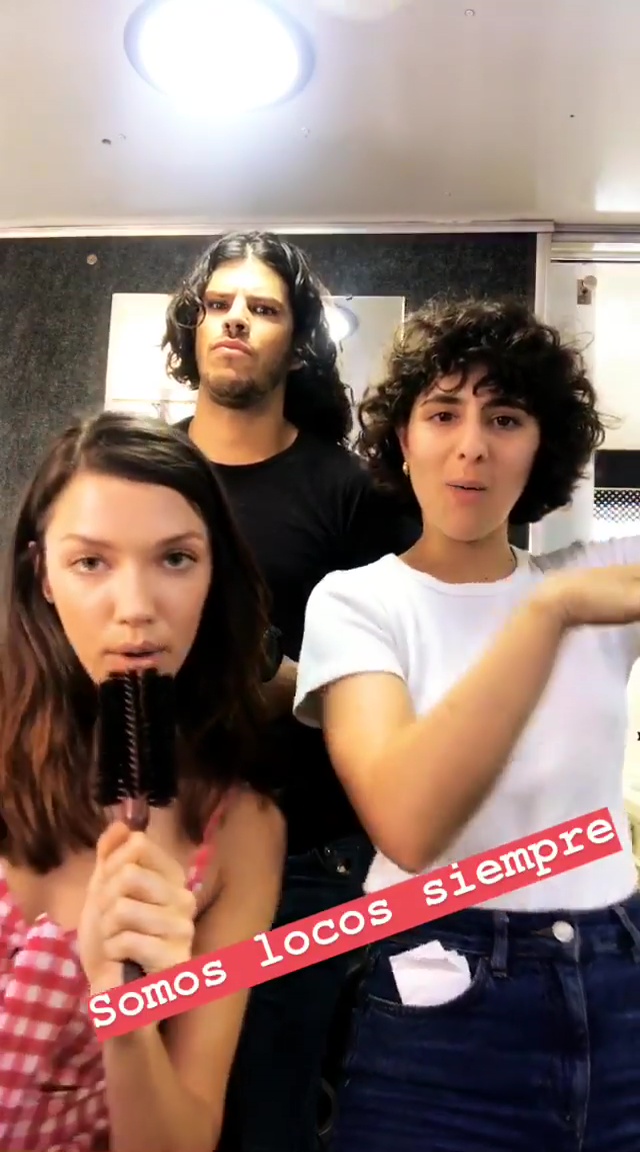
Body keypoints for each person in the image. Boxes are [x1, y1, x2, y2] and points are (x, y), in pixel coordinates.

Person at [293, 298, 640, 1152]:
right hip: (439, 995)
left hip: (620, 980)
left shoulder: (595, 571)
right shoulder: (358, 601)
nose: (472, 446)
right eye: (444, 413)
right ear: (403, 439)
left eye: (506, 418)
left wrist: (565, 590)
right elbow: (407, 822)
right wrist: (547, 613)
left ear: (542, 447)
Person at [161, 230, 420, 1151]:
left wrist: (288, 684)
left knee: (268, 1117)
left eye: (263, 307)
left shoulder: (351, 492)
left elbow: (409, 679)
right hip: (145, 841)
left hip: (304, 860)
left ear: (299, 341)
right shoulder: (140, 474)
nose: (235, 319)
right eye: (219, 304)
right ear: (194, 328)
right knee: (139, 1108)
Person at [0, 411, 285, 1152]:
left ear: (214, 574)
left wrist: (123, 1013)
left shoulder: (240, 835)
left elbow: (181, 1140)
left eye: (176, 559)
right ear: (43, 575)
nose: (135, 608)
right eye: (91, 562)